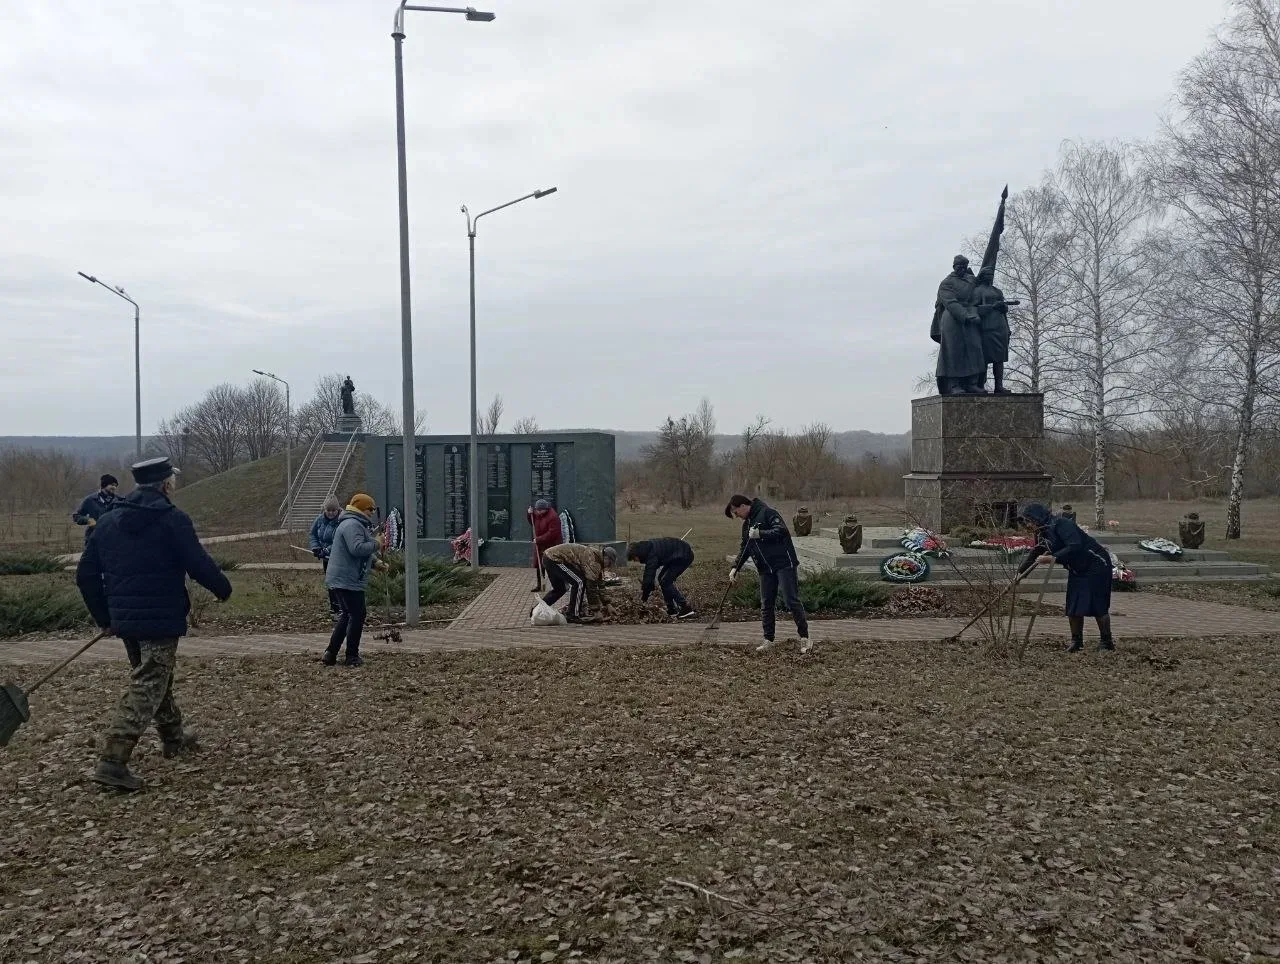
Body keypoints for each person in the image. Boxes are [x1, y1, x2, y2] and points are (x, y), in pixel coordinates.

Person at [75, 457, 232, 791]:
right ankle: (112, 761)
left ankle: (174, 737)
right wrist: (223, 588)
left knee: (156, 676)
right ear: (165, 485)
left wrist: (105, 617)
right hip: (160, 618)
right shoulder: (172, 520)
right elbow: (197, 562)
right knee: (148, 682)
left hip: (125, 621)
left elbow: (85, 575)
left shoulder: (107, 522)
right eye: (172, 481)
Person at [1017, 503, 1115, 653]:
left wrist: (1053, 557)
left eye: (1029, 521)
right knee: (1073, 604)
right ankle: (1076, 641)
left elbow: (1074, 545)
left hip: (1096, 565)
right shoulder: (1041, 532)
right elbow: (1036, 552)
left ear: (1037, 518)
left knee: (1097, 602)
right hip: (1077, 569)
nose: (1028, 525)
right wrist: (1020, 574)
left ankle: (1106, 642)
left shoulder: (1061, 524)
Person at [725, 494, 811, 654]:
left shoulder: (767, 513)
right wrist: (735, 568)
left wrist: (761, 534)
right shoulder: (747, 525)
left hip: (784, 563)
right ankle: (768, 639)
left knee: (791, 600)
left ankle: (805, 637)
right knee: (766, 604)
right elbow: (745, 547)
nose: (737, 516)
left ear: (743, 506)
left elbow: (782, 531)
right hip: (765, 568)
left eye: (736, 513)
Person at [323, 493, 384, 667]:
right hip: (347, 579)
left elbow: (356, 551)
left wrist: (375, 562)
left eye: (373, 509)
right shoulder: (352, 525)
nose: (371, 512)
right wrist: (377, 543)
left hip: (343, 577)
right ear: (360, 508)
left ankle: (331, 653)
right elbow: (356, 549)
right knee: (357, 615)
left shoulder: (353, 523)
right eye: (369, 509)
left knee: (347, 614)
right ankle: (351, 656)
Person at [930, 255, 985, 396]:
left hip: (971, 316)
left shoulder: (971, 279)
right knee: (954, 351)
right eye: (959, 266)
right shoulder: (946, 283)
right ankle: (954, 385)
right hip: (953, 319)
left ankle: (972, 383)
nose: (962, 269)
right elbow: (951, 303)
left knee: (975, 348)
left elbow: (982, 286)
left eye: (965, 266)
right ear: (954, 266)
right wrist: (966, 316)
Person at [540, 543, 616, 624]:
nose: (609, 566)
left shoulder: (597, 559)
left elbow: (600, 585)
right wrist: (596, 611)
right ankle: (572, 615)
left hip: (548, 557)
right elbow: (591, 588)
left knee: (561, 589)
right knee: (579, 582)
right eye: (610, 563)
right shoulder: (593, 561)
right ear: (606, 558)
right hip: (554, 559)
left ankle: (537, 609)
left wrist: (608, 604)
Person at [627, 538, 697, 619]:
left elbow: (648, 579)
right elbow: (649, 575)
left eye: (634, 559)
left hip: (683, 555)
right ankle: (672, 609)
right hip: (677, 555)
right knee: (662, 579)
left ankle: (685, 607)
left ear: (637, 554)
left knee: (666, 582)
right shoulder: (648, 548)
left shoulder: (651, 556)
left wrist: (644, 600)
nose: (635, 561)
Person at [972, 264, 1012, 394]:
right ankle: (980, 385)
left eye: (992, 275)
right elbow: (974, 308)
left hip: (1000, 327)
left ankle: (999, 386)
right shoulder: (978, 291)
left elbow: (1004, 312)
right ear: (983, 276)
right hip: (986, 328)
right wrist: (992, 306)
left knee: (999, 359)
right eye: (988, 275)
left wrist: (1007, 327)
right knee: (983, 359)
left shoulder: (997, 291)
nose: (990, 277)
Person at [309, 497, 343, 616]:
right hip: (326, 558)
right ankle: (334, 608)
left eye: (333, 510)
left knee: (338, 583)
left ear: (338, 510)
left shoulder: (342, 521)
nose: (331, 513)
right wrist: (316, 548)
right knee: (330, 582)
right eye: (328, 510)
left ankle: (341, 608)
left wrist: (327, 550)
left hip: (339, 558)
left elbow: (340, 541)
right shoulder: (319, 520)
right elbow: (313, 534)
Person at [72, 474, 119, 546]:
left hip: (113, 540)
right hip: (93, 539)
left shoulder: (119, 501)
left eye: (116, 485)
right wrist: (88, 520)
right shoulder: (90, 500)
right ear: (104, 485)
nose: (114, 487)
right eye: (112, 485)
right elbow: (76, 516)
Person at [527, 499, 563, 592]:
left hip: (551, 545)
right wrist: (529, 514)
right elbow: (533, 522)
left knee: (551, 565)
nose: (537, 512)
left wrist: (538, 539)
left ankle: (558, 586)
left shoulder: (553, 517)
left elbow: (552, 534)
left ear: (545, 509)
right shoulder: (538, 513)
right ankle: (540, 585)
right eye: (536, 510)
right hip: (540, 544)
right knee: (539, 566)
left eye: (539, 510)